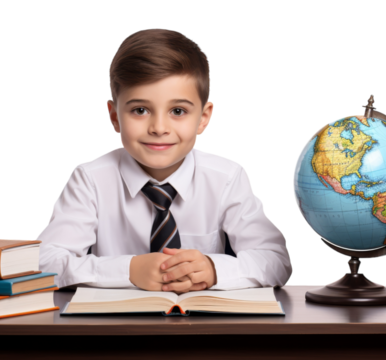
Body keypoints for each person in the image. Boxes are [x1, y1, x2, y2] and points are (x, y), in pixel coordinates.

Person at [35, 28, 292, 294]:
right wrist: (129, 270)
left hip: (200, 329)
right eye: (140, 110)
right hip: (113, 330)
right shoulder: (90, 179)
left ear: (204, 117)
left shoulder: (227, 177)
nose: (159, 127)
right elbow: (43, 263)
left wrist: (214, 270)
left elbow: (275, 261)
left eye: (178, 111)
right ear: (113, 117)